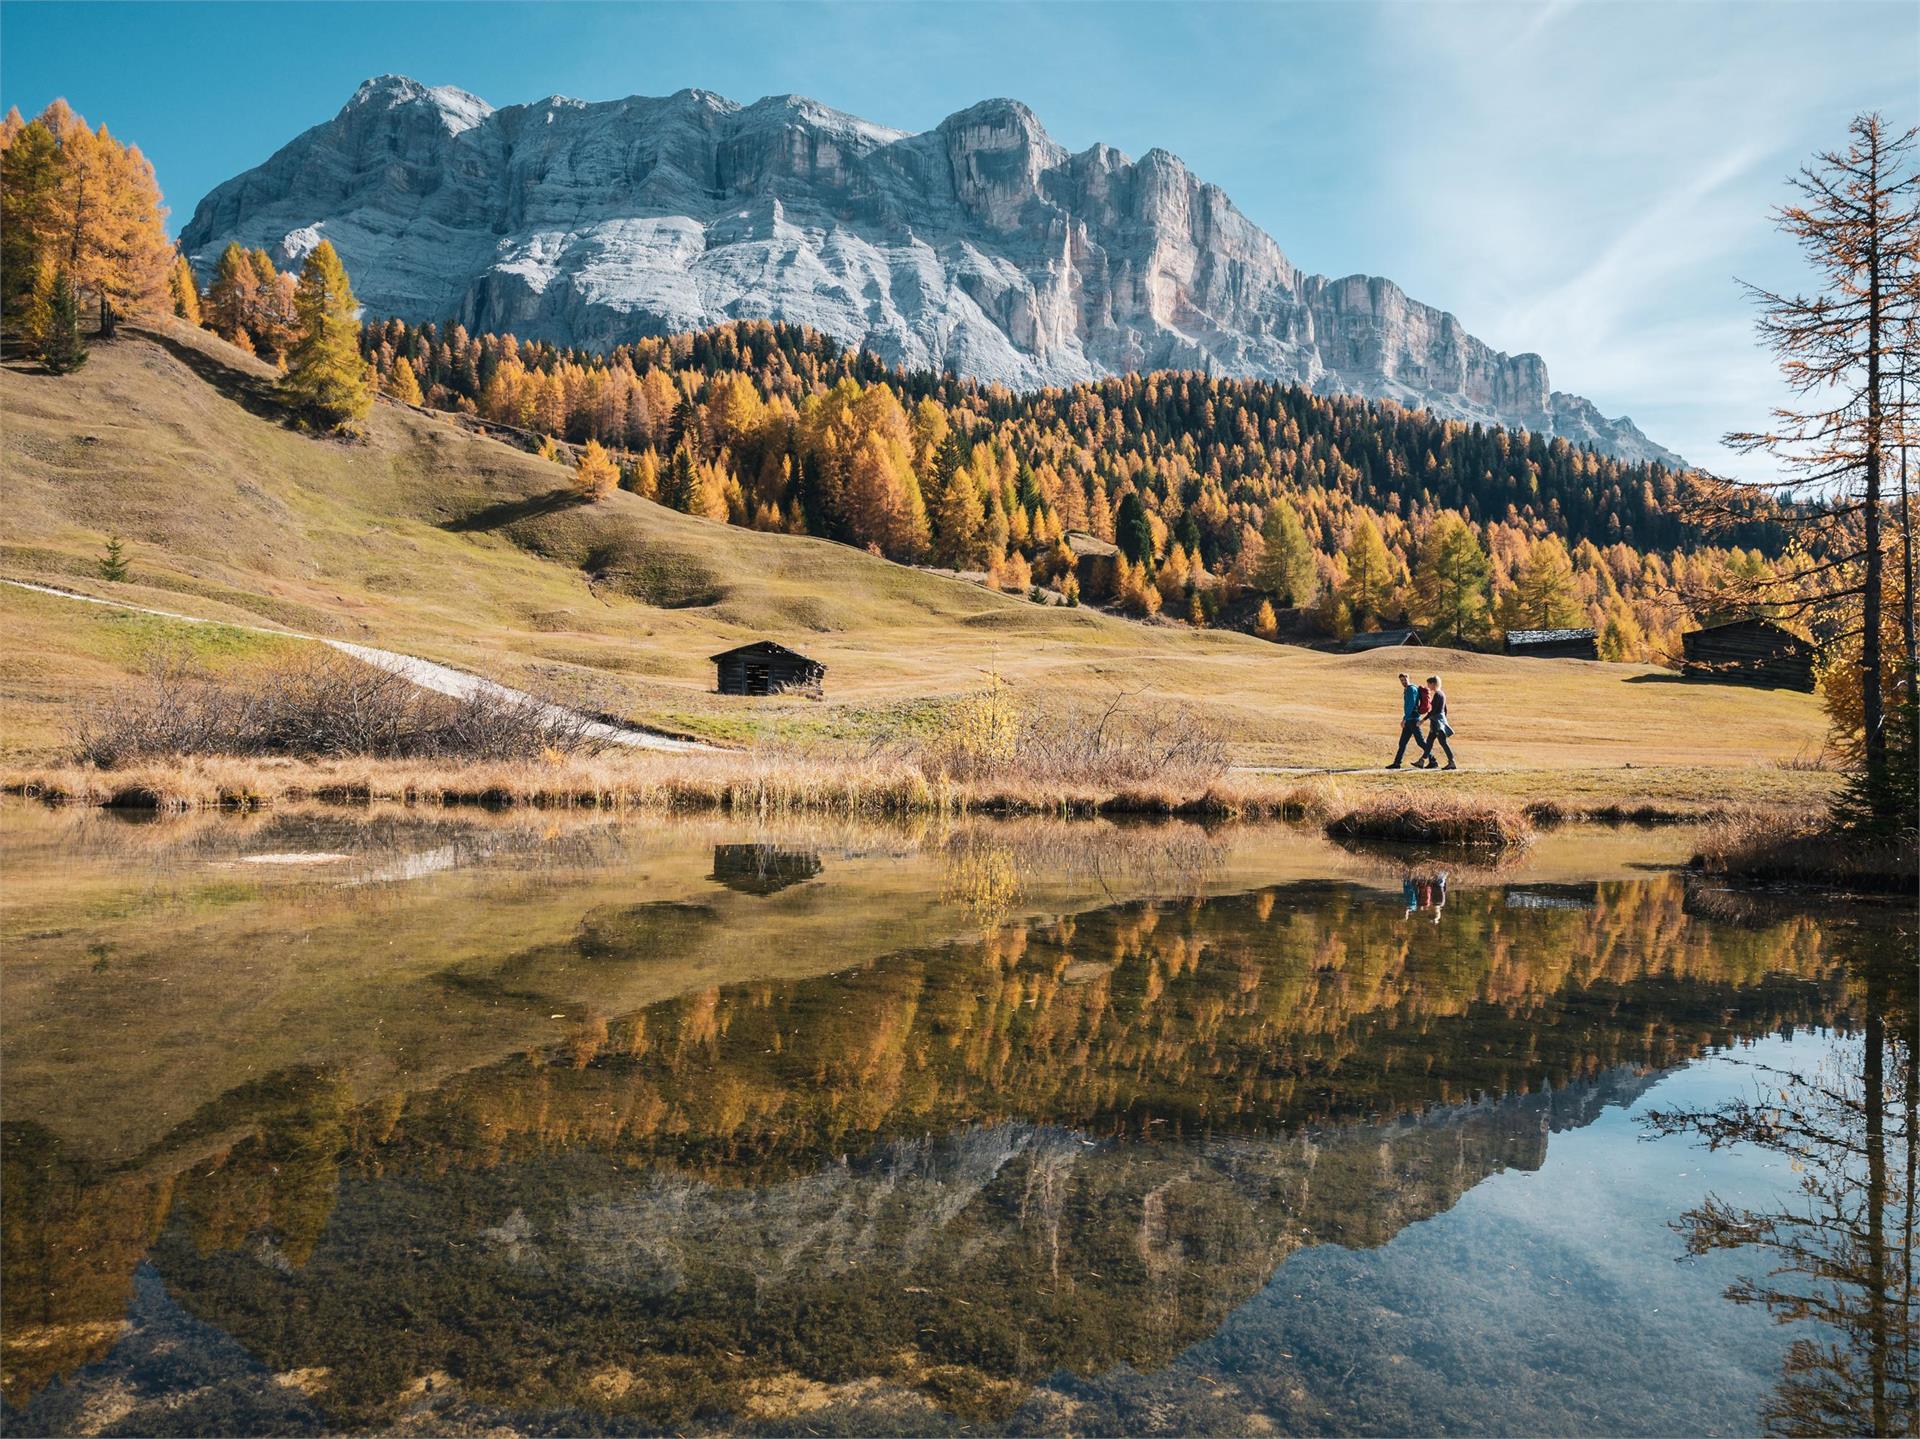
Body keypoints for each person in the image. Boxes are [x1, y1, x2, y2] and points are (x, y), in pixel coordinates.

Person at [1387, 671, 1431, 769]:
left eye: (1404, 679)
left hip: (1413, 719)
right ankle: (1397, 763)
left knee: (1420, 742)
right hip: (1409, 719)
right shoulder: (1409, 689)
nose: (1403, 682)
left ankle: (1433, 760)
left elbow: (1411, 705)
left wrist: (1404, 719)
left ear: (1408, 678)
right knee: (1402, 742)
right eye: (1401, 680)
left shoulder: (1411, 689)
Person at [1423, 673, 1456, 770]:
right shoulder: (1442, 694)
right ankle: (1422, 760)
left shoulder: (1437, 694)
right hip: (1437, 723)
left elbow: (1433, 711)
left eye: (1429, 684)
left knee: (1443, 742)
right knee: (1429, 742)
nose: (1428, 686)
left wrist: (1423, 720)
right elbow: (1445, 709)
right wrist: (1443, 720)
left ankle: (1452, 762)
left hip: (1436, 723)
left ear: (1433, 684)